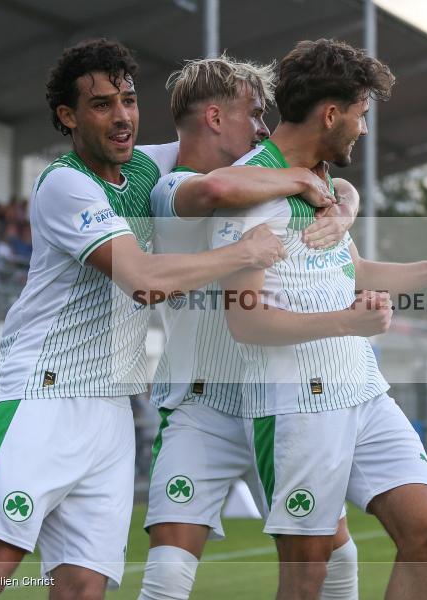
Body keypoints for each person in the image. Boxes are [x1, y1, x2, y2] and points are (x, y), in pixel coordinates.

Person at [0, 38, 287, 600]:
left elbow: (217, 159)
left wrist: (332, 191)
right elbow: (144, 281)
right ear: (68, 116)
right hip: (46, 395)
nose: (122, 116)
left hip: (112, 413)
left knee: (84, 588)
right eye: (102, 104)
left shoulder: (148, 167)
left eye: (128, 100)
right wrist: (242, 253)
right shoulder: (66, 184)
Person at [213, 39, 427, 600]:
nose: (364, 128)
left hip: (362, 390)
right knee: (307, 574)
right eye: (361, 113)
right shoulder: (252, 187)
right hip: (293, 405)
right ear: (331, 114)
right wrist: (345, 323)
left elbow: (353, 272)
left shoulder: (319, 183)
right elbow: (245, 322)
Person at [139, 55, 360, 600]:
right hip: (201, 405)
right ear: (215, 118)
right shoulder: (173, 187)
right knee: (167, 574)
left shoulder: (265, 182)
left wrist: (344, 205)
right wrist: (304, 179)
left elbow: (335, 185)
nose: (264, 127)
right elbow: (215, 192)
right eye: (254, 114)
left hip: (271, 400)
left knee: (337, 559)